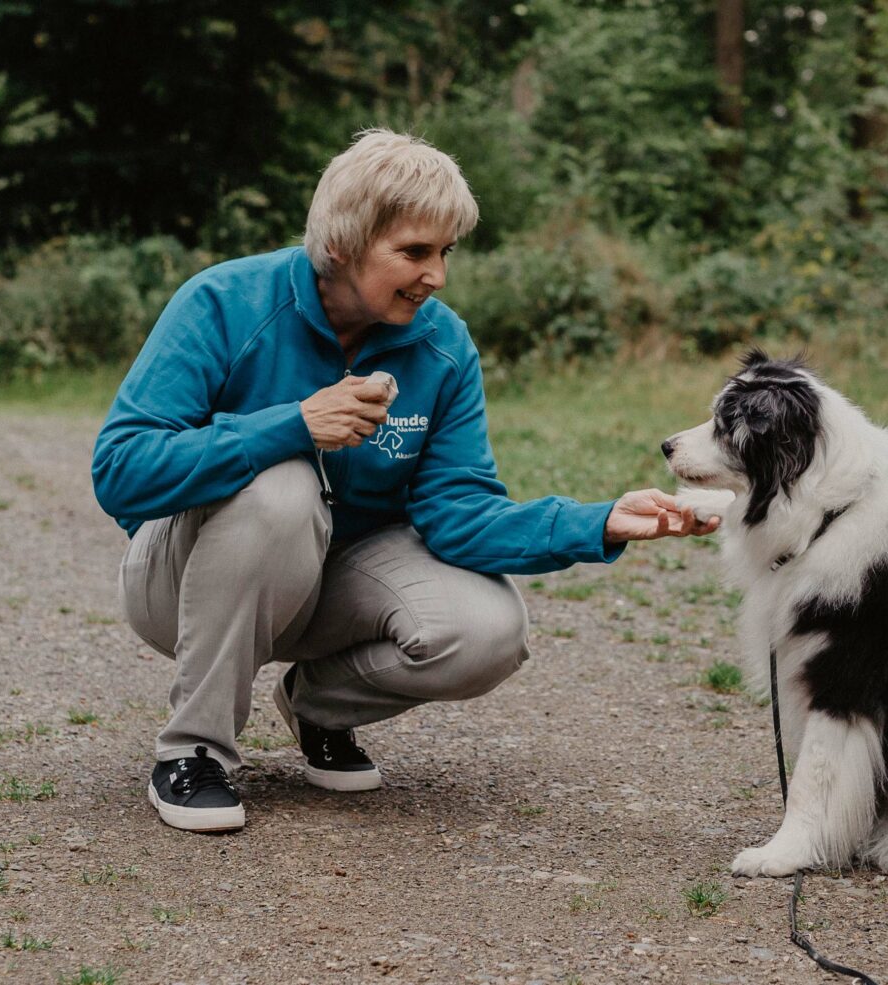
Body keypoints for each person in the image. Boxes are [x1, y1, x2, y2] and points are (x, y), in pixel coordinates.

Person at [91, 129, 717, 833]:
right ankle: (194, 750)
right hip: (182, 586)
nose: (437, 275)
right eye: (414, 252)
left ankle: (318, 708)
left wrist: (597, 521)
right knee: (283, 486)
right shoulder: (223, 302)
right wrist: (291, 425)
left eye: (445, 252)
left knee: (489, 629)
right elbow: (120, 471)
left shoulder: (443, 345)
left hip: (325, 587)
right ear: (341, 246)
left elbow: (458, 513)